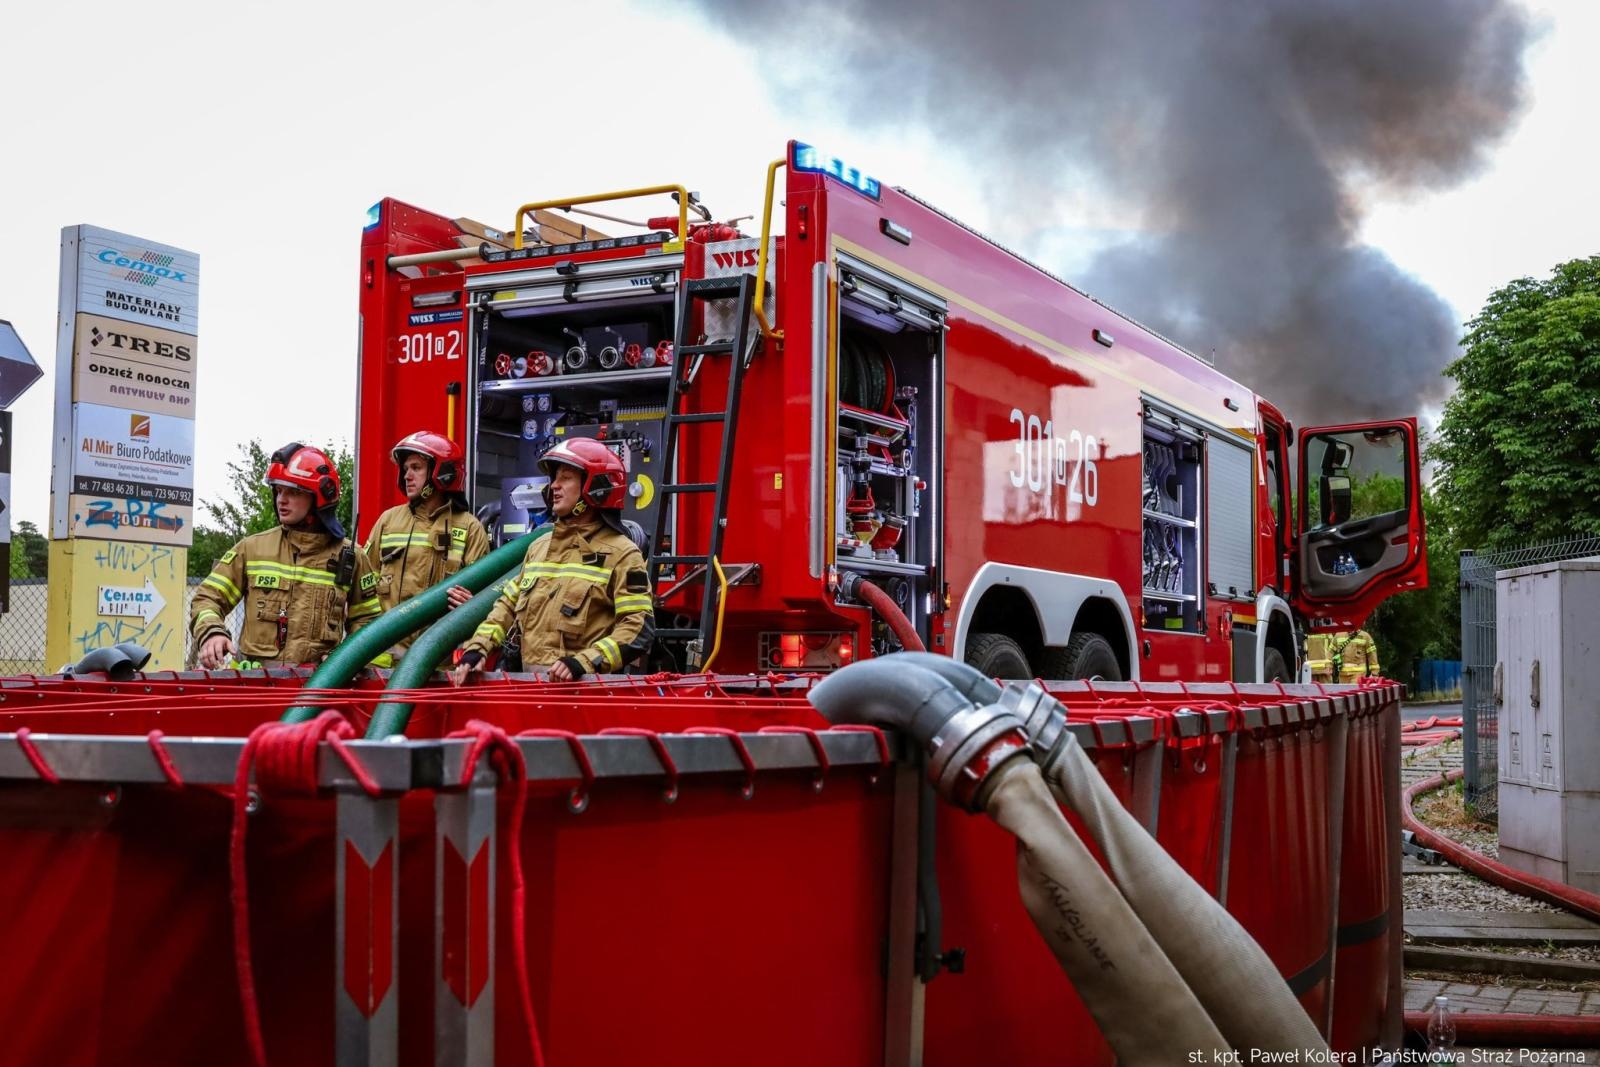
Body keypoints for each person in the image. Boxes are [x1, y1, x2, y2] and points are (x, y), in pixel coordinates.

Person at [450, 437, 653, 683]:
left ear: (596, 487)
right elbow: (506, 607)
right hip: (528, 690)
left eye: (565, 478)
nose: (554, 486)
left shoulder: (622, 554)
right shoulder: (539, 547)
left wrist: (585, 662)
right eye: (554, 478)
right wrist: (477, 648)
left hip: (581, 696)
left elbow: (637, 628)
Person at [191, 443, 383, 669]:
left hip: (319, 683)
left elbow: (369, 622)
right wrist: (212, 632)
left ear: (320, 496)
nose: (281, 499)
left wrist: (346, 658)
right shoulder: (252, 549)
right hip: (254, 684)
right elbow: (207, 598)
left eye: (293, 492)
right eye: (279, 490)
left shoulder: (352, 557)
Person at [362, 430, 491, 662]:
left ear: (442, 473)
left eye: (416, 468)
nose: (407, 476)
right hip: (382, 666)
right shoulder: (387, 522)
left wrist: (472, 606)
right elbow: (363, 588)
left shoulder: (470, 528)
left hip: (437, 666)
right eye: (405, 469)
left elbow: (485, 603)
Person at [1305, 629, 1381, 684]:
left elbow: (1372, 654)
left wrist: (1374, 673)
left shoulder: (1365, 636)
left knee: (1353, 695)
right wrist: (1329, 666)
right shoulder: (1338, 635)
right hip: (1342, 674)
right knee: (1344, 696)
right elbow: (1331, 651)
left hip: (1358, 674)